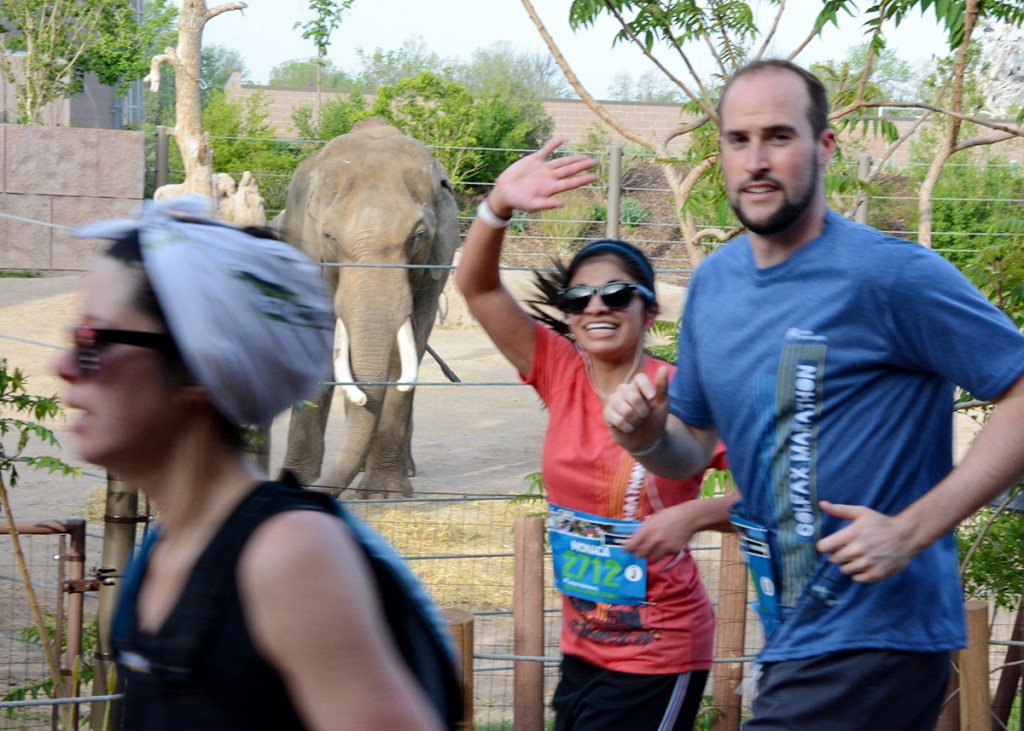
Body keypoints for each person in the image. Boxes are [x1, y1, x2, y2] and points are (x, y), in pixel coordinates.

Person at [602, 59, 1024, 730]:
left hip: (876, 629)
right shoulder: (715, 287)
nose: (756, 159)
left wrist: (912, 531)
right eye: (738, 140)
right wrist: (647, 436)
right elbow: (692, 449)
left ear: (824, 147)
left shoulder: (889, 275)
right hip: (796, 633)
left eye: (779, 136)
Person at [56, 197, 449, 731]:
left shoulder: (289, 558)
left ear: (198, 367)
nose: (62, 367)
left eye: (91, 341)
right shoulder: (168, 545)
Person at [455, 140, 731, 731]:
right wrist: (497, 206)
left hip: (662, 650)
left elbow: (778, 493)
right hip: (584, 647)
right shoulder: (558, 370)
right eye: (580, 297)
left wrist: (693, 517)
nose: (597, 305)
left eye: (617, 293)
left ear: (648, 310)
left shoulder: (684, 392)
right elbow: (478, 289)